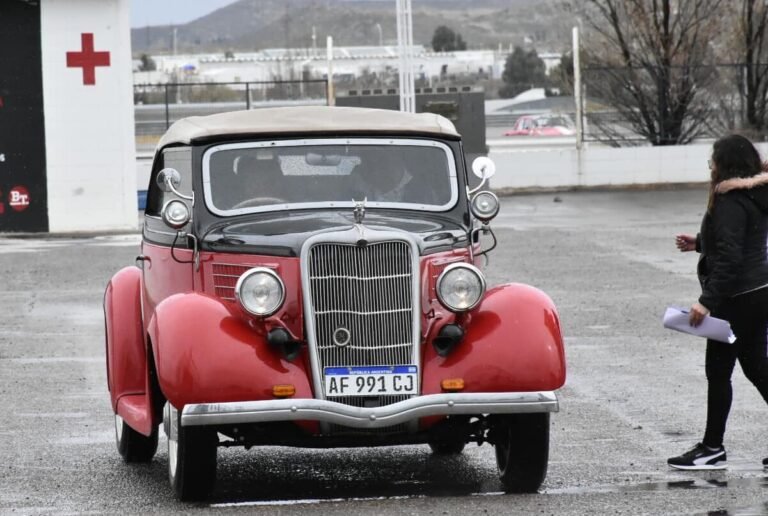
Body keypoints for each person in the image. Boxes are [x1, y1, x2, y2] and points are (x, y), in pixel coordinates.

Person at [668, 134, 768, 470]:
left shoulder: (729, 199)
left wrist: (706, 302)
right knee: (756, 368)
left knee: (719, 371)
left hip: (736, 297)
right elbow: (739, 239)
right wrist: (699, 242)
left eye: (713, 159)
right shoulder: (755, 192)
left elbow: (730, 258)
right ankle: (712, 446)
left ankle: (712, 448)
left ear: (725, 163)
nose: (710, 165)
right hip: (758, 292)